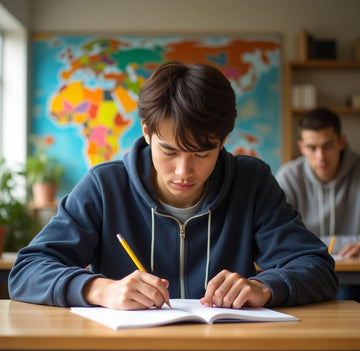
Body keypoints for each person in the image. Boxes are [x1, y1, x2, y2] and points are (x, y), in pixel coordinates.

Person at [8, 62, 337, 310]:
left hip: (224, 348)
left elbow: (318, 268)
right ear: (147, 132)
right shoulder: (105, 185)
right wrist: (99, 289)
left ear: (223, 141)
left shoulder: (251, 182)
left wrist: (265, 287)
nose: (184, 171)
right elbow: (26, 271)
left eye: (202, 153)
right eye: (169, 150)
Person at [276, 107, 360, 301]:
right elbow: (283, 238)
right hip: (305, 272)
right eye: (312, 148)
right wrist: (344, 243)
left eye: (327, 146)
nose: (320, 156)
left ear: (341, 142)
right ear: (302, 147)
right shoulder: (288, 177)